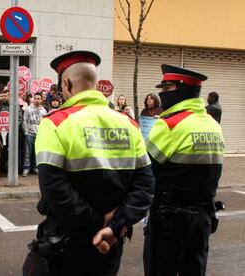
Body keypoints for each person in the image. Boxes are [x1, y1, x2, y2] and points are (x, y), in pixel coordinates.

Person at [23, 51, 155, 276]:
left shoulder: (55, 123)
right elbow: (145, 185)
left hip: (67, 243)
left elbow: (54, 188)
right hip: (111, 243)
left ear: (66, 83)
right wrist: (114, 225)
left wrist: (97, 221)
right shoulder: (129, 124)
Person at [143, 64, 225, 276]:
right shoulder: (213, 125)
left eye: (167, 88)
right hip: (203, 218)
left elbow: (145, 168)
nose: (162, 94)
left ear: (182, 89)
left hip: (170, 220)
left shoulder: (169, 125)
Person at [22, 92, 47, 177]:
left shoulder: (44, 111)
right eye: (35, 98)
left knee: (37, 152)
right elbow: (24, 121)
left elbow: (45, 123)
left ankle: (35, 167)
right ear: (33, 99)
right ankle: (26, 168)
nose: (36, 100)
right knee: (28, 152)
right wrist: (26, 132)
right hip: (30, 133)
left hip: (39, 134)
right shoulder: (28, 109)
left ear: (41, 100)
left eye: (38, 98)